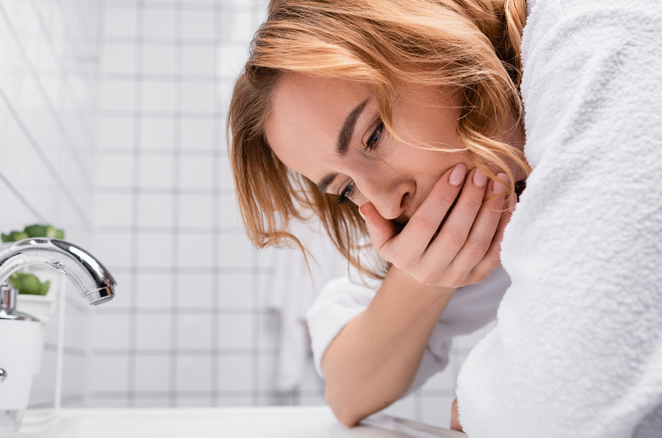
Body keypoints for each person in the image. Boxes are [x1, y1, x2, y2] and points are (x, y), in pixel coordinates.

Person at [228, 0, 662, 437]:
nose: (386, 204)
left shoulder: (598, 27)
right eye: (347, 189)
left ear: (433, 40)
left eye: (374, 135)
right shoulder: (491, 184)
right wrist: (427, 275)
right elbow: (348, 391)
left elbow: (558, 412)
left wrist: (483, 409)